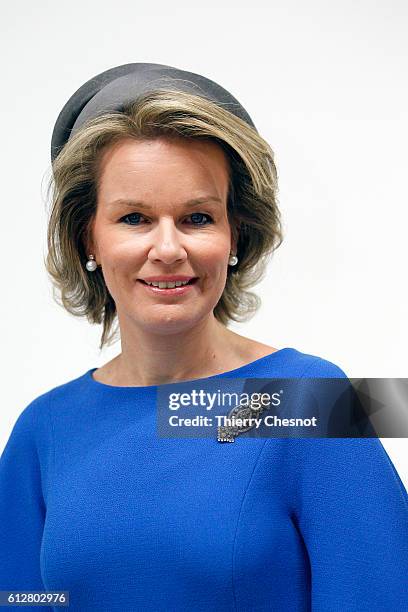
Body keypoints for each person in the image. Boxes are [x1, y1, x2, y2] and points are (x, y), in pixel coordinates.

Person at [0, 63, 407, 611]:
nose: (168, 248)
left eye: (196, 217)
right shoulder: (43, 428)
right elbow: (22, 600)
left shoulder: (310, 398)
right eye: (134, 218)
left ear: (235, 234)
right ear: (87, 239)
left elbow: (379, 597)